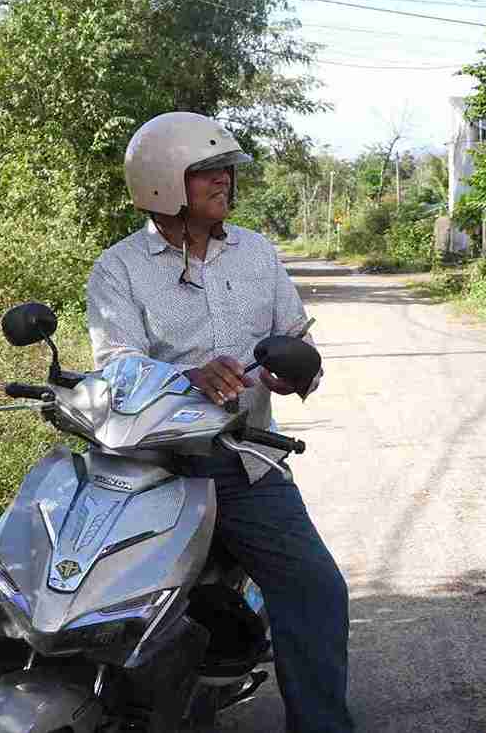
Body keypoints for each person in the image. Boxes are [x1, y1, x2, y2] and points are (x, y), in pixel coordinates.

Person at [86, 111, 354, 733]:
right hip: (152, 466)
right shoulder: (119, 269)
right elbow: (116, 364)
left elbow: (294, 338)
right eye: (207, 171)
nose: (224, 182)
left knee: (317, 591)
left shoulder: (257, 253)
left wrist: (299, 373)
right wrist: (188, 376)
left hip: (242, 463)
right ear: (162, 182)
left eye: (227, 170)